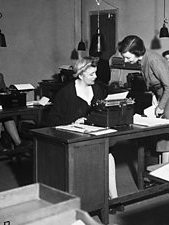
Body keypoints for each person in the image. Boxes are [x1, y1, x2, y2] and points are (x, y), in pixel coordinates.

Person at [46, 57, 122, 213]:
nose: (95, 77)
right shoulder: (65, 93)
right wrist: (73, 122)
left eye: (95, 73)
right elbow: (51, 121)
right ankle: (92, 200)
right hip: (71, 138)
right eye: (91, 74)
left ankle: (113, 198)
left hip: (93, 134)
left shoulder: (98, 89)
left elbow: (100, 112)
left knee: (109, 156)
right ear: (80, 75)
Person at [118, 35, 169, 160]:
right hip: (165, 92)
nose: (125, 61)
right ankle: (165, 165)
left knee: (167, 129)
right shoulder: (144, 58)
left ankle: (167, 168)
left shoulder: (154, 60)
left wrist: (161, 106)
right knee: (163, 130)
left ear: (136, 52)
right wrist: (157, 98)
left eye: (127, 57)